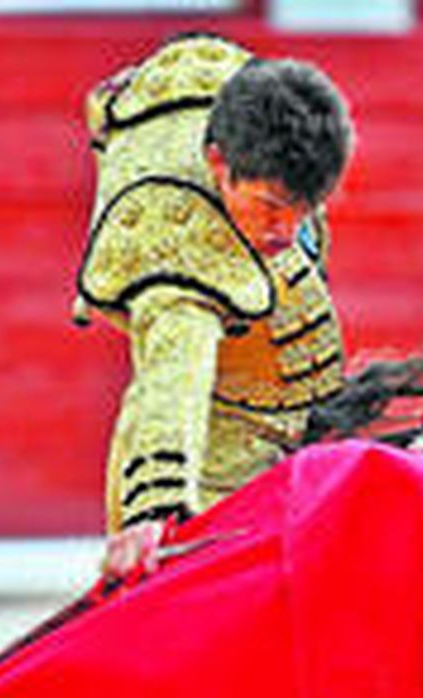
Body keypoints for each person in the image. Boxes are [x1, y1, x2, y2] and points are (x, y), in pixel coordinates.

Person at [72, 34, 354, 579]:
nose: (285, 231)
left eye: (304, 208)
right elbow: (173, 370)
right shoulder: (172, 227)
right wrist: (154, 507)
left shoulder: (265, 123)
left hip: (289, 433)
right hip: (211, 459)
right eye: (270, 206)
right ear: (216, 162)